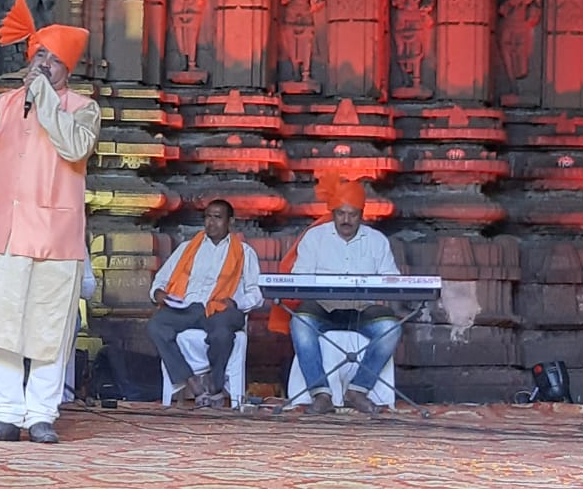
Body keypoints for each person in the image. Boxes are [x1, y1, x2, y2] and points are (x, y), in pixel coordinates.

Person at [0, 0, 101, 444]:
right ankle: (7, 412)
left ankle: (41, 415)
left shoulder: (84, 108)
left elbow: (73, 147)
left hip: (56, 237)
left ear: (67, 70)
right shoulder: (6, 102)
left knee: (50, 330)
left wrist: (46, 100)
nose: (44, 65)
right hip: (4, 234)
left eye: (53, 60)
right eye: (38, 56)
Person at [270, 174, 400, 414]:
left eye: (352, 214)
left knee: (390, 327)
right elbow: (301, 277)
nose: (346, 220)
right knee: (300, 322)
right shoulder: (315, 237)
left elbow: (391, 279)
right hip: (322, 307)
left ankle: (358, 389)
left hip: (363, 309)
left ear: (362, 214)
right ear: (333, 212)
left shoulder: (377, 241)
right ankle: (321, 393)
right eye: (341, 213)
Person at [147, 200, 262, 409]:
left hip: (222, 310)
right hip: (188, 308)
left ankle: (215, 386)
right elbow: (160, 281)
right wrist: (159, 294)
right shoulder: (186, 248)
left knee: (222, 333)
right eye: (208, 217)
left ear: (230, 222)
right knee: (156, 325)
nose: (211, 222)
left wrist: (236, 302)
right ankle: (191, 381)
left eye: (218, 217)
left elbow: (256, 294)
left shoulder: (245, 252)